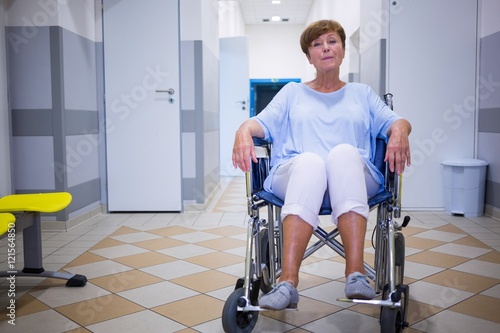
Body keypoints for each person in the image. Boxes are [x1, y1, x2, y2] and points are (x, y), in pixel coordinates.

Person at [232, 19, 411, 310]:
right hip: (296, 176)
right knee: (312, 163)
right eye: (317, 44)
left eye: (332, 41)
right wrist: (242, 132)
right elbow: (259, 124)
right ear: (308, 56)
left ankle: (355, 274)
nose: (326, 48)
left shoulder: (362, 94)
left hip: (353, 177)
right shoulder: (292, 93)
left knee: (342, 154)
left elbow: (397, 121)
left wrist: (400, 132)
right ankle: (287, 282)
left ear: (342, 50)